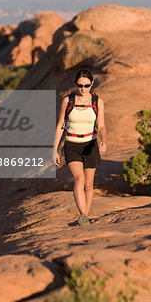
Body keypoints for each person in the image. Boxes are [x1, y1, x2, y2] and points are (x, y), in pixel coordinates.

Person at [52, 69, 107, 226]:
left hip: (90, 144)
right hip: (71, 144)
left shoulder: (97, 102)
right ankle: (83, 215)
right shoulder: (67, 101)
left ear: (92, 84)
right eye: (80, 85)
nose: (83, 89)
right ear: (75, 84)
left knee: (89, 185)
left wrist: (104, 140)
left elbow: (101, 125)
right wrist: (54, 148)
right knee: (79, 178)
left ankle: (86, 217)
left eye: (87, 85)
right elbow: (60, 126)